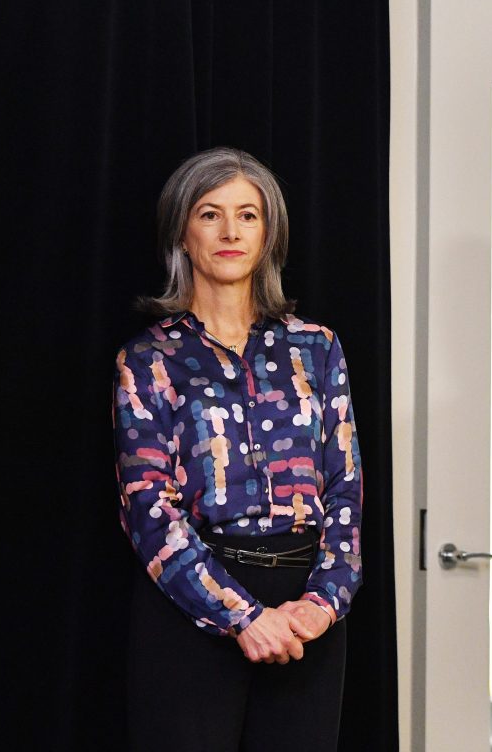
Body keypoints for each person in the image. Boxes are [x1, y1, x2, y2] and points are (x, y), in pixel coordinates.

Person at [114, 147, 361, 752]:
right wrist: (244, 617)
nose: (230, 231)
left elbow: (346, 491)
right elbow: (147, 509)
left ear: (268, 232)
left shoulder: (317, 349)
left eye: (247, 215)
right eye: (210, 214)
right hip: (192, 610)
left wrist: (324, 603)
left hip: (309, 617)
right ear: (182, 232)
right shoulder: (150, 359)